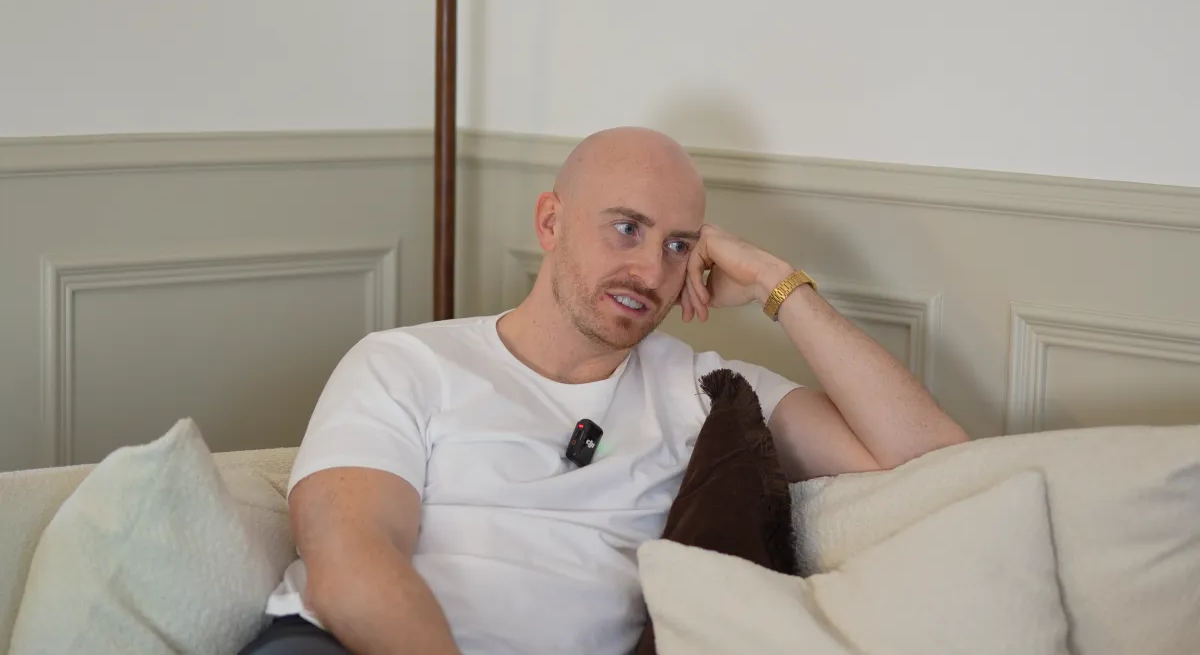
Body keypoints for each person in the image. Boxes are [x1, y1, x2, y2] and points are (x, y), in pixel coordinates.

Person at [239, 127, 969, 655]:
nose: (651, 272)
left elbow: (934, 457)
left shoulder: (709, 392)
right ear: (551, 222)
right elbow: (349, 564)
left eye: (679, 245)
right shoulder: (405, 362)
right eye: (626, 228)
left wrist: (778, 285)